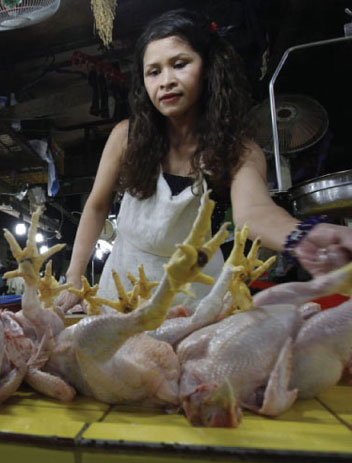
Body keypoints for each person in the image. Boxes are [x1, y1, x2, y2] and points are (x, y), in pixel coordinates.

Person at [56, 9, 352, 313]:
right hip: (124, 285)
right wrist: (74, 276)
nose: (166, 81)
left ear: (209, 68)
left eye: (180, 64)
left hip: (195, 294)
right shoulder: (126, 137)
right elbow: (96, 205)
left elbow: (255, 212)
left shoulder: (239, 150)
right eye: (153, 72)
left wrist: (302, 235)